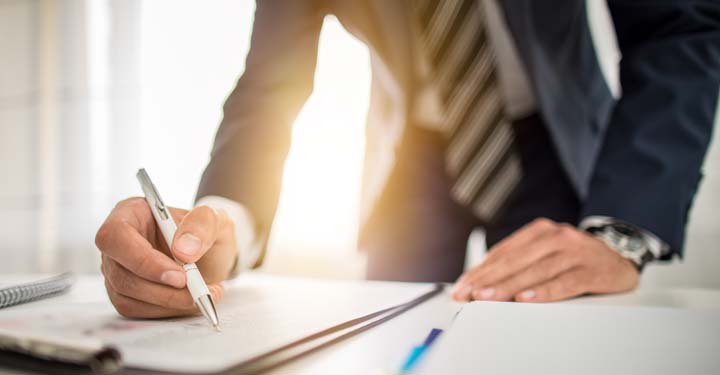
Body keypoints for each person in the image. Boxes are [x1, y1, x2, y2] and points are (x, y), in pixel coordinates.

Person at [95, 0, 720, 318]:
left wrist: (619, 231)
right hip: (409, 161)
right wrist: (220, 223)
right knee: (391, 333)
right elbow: (270, 87)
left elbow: (677, 27)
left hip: (553, 142)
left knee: (557, 333)